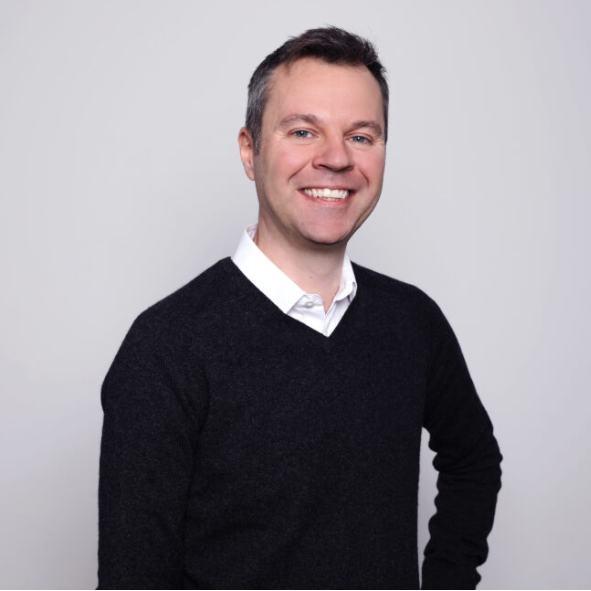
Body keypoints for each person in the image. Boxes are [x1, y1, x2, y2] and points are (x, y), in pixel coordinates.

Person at [98, 26, 502, 590]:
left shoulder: (413, 322)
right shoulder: (167, 347)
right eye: (303, 131)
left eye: (361, 136)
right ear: (250, 150)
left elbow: (473, 461)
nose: (336, 159)